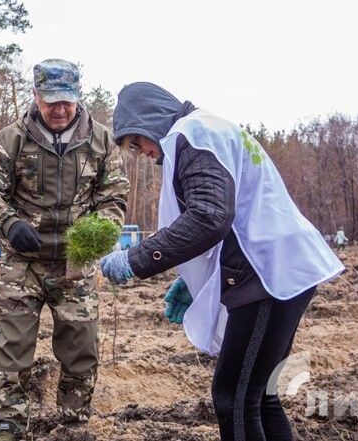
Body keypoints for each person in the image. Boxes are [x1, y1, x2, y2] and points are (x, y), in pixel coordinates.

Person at [99, 83, 344, 441]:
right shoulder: (210, 128)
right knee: (261, 396)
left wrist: (136, 259)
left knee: (233, 399)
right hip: (283, 268)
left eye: (138, 143)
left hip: (263, 275)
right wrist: (197, 276)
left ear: (150, 121)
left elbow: (208, 217)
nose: (145, 154)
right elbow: (233, 213)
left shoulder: (192, 134)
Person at [0, 59, 130, 441]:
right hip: (22, 263)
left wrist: (102, 230)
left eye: (67, 101)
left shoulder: (101, 141)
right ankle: (8, 423)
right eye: (51, 101)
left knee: (81, 345)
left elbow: (114, 197)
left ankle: (74, 422)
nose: (60, 110)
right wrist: (10, 224)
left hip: (74, 263)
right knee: (13, 346)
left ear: (78, 97)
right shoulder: (10, 140)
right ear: (36, 96)